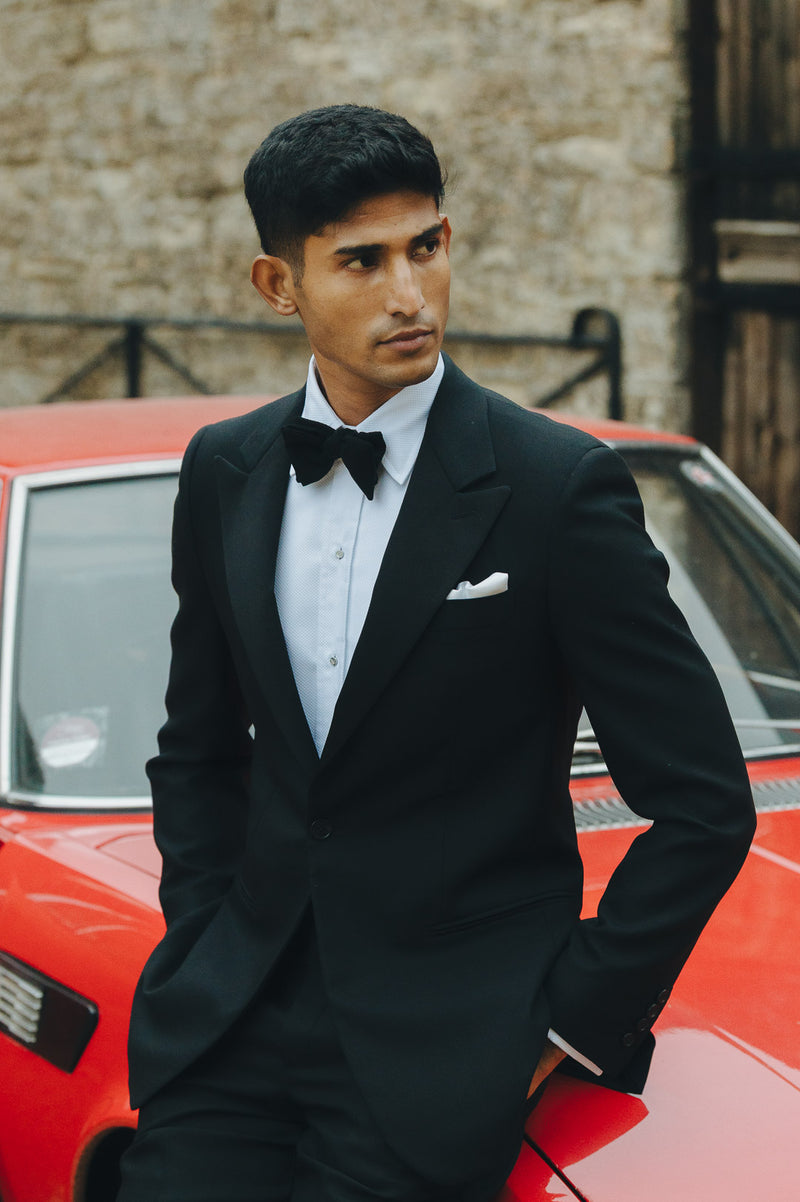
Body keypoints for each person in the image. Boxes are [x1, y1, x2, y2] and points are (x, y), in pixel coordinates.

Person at [118, 105, 756, 1202]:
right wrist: (203, 931)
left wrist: (569, 1016)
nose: (408, 294)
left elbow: (702, 802)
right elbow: (198, 745)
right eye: (360, 262)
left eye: (425, 247)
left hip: (444, 1050)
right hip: (231, 1025)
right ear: (279, 285)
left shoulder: (558, 487)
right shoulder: (224, 467)